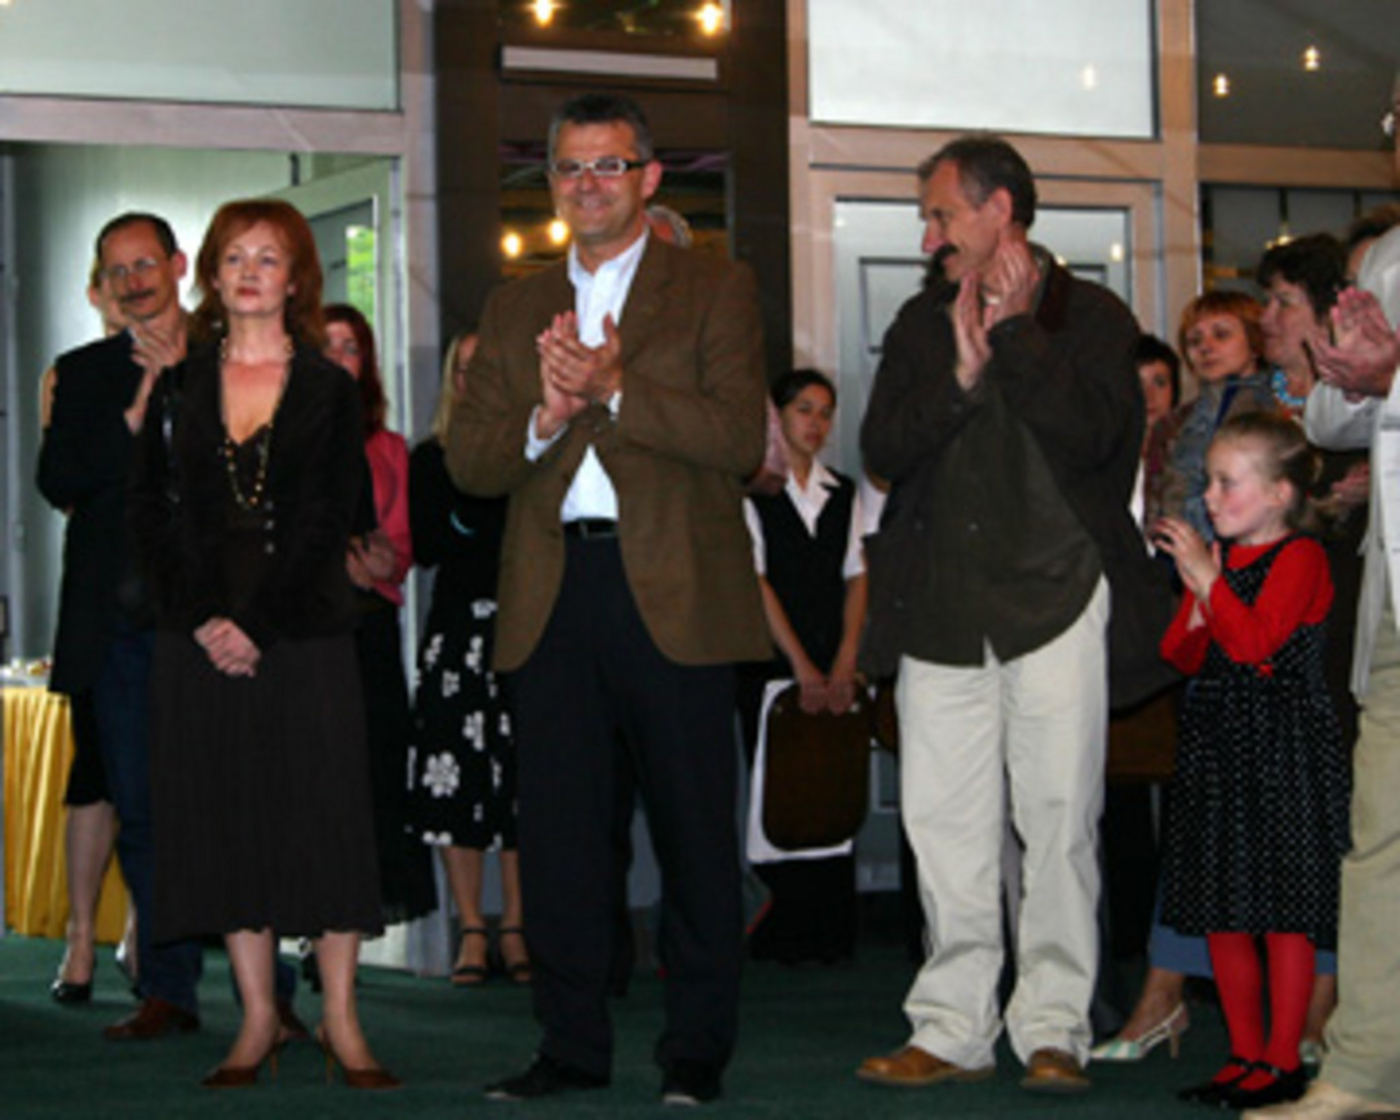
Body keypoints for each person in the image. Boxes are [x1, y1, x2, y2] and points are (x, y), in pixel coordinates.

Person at [448, 91, 769, 1106]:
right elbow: (470, 462)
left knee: (693, 837)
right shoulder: (514, 306)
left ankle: (695, 1052)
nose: (588, 184)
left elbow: (737, 440)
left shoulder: (714, 287)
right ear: (550, 183)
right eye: (570, 167)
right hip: (553, 595)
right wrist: (545, 416)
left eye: (609, 165)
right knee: (561, 842)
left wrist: (617, 389)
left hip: (676, 590)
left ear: (648, 177)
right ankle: (570, 1047)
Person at [857, 133, 1164, 1093]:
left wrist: (1019, 337)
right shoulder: (920, 323)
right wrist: (956, 379)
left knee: (1059, 822)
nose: (928, 236)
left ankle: (1053, 1028)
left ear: (1001, 211)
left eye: (942, 214)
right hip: (939, 611)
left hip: (1057, 599)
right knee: (942, 829)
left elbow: (1101, 441)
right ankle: (951, 1028)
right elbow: (883, 449)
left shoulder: (1093, 316)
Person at [128, 199, 395, 1089]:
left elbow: (329, 520)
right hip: (197, 633)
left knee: (326, 817)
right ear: (210, 273)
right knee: (226, 818)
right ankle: (254, 1021)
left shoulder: (327, 387)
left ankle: (343, 1021)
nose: (250, 272)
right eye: (234, 256)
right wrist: (208, 617)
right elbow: (150, 516)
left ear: (296, 278)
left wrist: (258, 626)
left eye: (268, 257)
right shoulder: (177, 387)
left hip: (303, 628)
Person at [36, 211, 204, 1039]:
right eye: (118, 270)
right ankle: (167, 987)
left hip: (219, 621)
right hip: (120, 624)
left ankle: (270, 985)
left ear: (178, 265)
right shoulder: (82, 373)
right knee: (139, 804)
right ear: (103, 285)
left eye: (146, 264)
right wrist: (138, 407)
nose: (135, 281)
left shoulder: (232, 359)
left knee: (230, 803)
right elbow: (58, 478)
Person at [1246, 226, 1400, 1120]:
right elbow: (1337, 422)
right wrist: (1348, 372)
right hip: (1391, 595)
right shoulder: (1380, 262)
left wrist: (1395, 371)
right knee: (1377, 839)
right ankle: (1365, 1074)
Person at [1155, 414, 1349, 1110]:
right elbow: (1182, 654)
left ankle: (1281, 1058)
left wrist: (1211, 583)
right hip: (1219, 742)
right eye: (1209, 482)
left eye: (1226, 483)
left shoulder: (1301, 558)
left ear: (1278, 494)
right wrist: (1199, 598)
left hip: (1282, 747)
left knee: (1283, 911)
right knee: (1225, 908)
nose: (1209, 496)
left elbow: (1256, 644)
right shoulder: (1219, 560)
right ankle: (1243, 1053)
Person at [408, 331, 529, 987]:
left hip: (526, 629)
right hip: (457, 634)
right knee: (453, 781)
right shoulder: (432, 459)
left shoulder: (532, 451)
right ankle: (472, 929)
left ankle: (516, 926)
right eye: (465, 368)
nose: (475, 378)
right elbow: (434, 543)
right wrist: (476, 508)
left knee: (522, 783)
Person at [740, 368, 866, 967]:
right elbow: (756, 582)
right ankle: (782, 931)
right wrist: (800, 666)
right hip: (774, 667)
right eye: (803, 410)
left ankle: (831, 932)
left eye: (824, 413)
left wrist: (844, 659)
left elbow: (858, 577)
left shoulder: (844, 493)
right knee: (779, 794)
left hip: (834, 662)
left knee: (833, 788)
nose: (815, 424)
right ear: (778, 416)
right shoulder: (753, 495)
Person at [323, 302, 436, 927]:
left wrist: (382, 562)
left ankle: (357, 915)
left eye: (351, 347)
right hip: (311, 626)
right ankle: (314, 920)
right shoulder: (285, 435)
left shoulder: (389, 447)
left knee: (376, 769)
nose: (339, 358)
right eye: (328, 345)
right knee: (319, 773)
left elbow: (402, 543)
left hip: (371, 622)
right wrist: (339, 556)